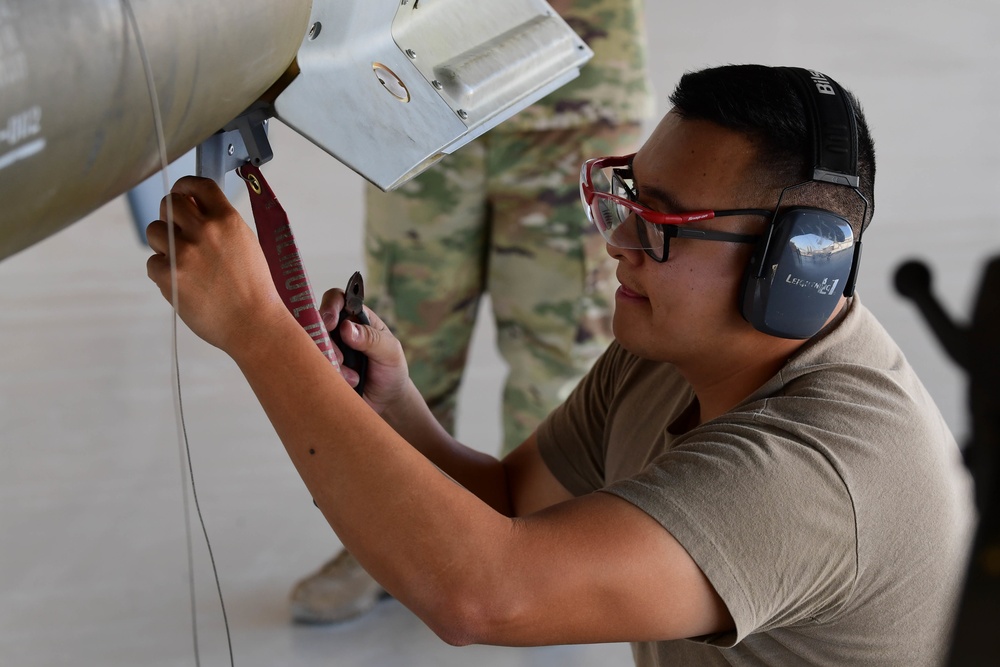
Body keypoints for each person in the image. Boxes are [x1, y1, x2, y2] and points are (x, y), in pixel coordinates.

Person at [146, 64, 975, 666]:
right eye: (625, 198)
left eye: (661, 223)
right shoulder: (671, 351)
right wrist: (394, 403)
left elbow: (480, 595)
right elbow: (509, 503)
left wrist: (261, 334)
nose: (617, 242)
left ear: (796, 267)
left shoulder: (816, 474)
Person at [288, 0, 656, 624]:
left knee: (558, 351)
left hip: (571, 85)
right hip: (414, 72)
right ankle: (389, 540)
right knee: (399, 336)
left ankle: (543, 556)